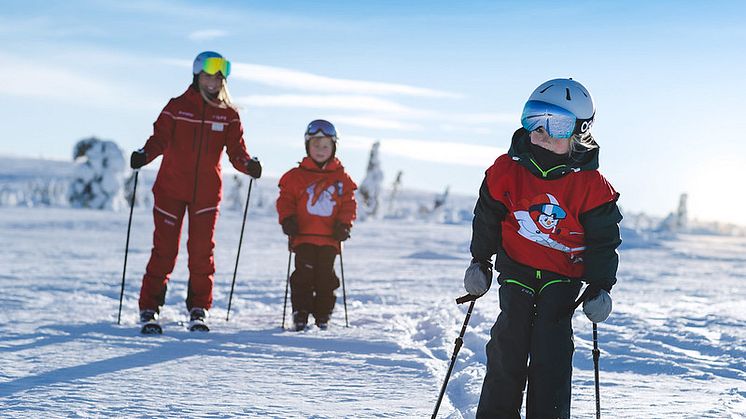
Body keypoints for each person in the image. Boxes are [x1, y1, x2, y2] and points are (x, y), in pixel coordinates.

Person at [463, 78, 622, 418]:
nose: (542, 132)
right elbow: (488, 215)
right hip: (517, 269)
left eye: (557, 125)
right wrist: (480, 260)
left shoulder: (592, 186)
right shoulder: (507, 170)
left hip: (562, 278)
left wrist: (599, 286)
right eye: (533, 119)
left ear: (579, 132)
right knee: (507, 348)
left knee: (551, 354)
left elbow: (604, 241)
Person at [130, 51, 262, 329]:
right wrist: (144, 155)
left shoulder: (228, 115)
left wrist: (249, 165)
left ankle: (199, 307)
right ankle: (149, 307)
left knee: (202, 252)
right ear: (196, 76)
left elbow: (237, 153)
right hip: (170, 189)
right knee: (165, 251)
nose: (213, 81)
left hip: (206, 194)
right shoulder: (177, 107)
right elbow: (159, 140)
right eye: (207, 75)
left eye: (218, 77)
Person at [276, 119, 357, 331]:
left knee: (325, 278)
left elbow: (348, 204)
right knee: (303, 276)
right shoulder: (296, 177)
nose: (320, 150)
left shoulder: (341, 179)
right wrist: (287, 219)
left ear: (333, 148)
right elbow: (285, 200)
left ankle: (323, 315)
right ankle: (300, 313)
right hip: (303, 236)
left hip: (329, 239)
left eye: (325, 146)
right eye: (316, 145)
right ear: (307, 146)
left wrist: (344, 225)